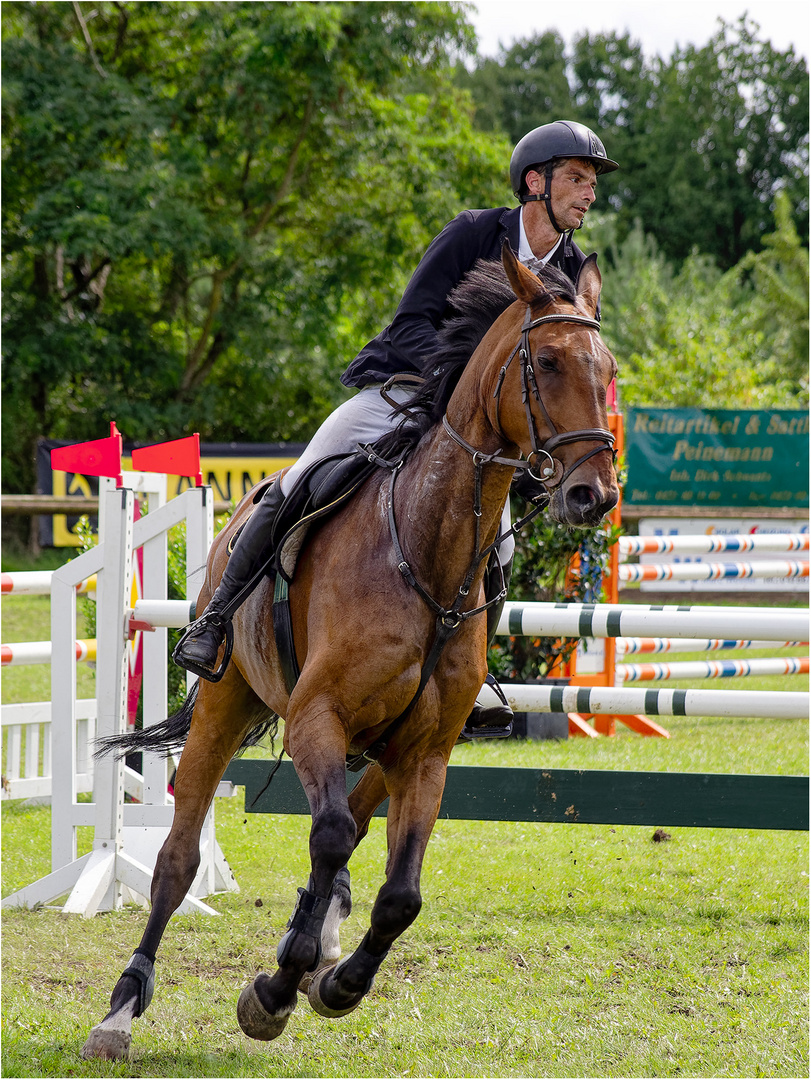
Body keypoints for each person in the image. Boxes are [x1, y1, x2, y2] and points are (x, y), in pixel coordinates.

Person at [175, 120, 619, 736]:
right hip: (403, 389)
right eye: (576, 178)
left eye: (592, 182)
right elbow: (412, 322)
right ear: (534, 182)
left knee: (501, 542)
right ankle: (215, 623)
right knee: (303, 477)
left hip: (483, 432)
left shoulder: (572, 270)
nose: (588, 192)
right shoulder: (473, 234)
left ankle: (469, 673)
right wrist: (455, 389)